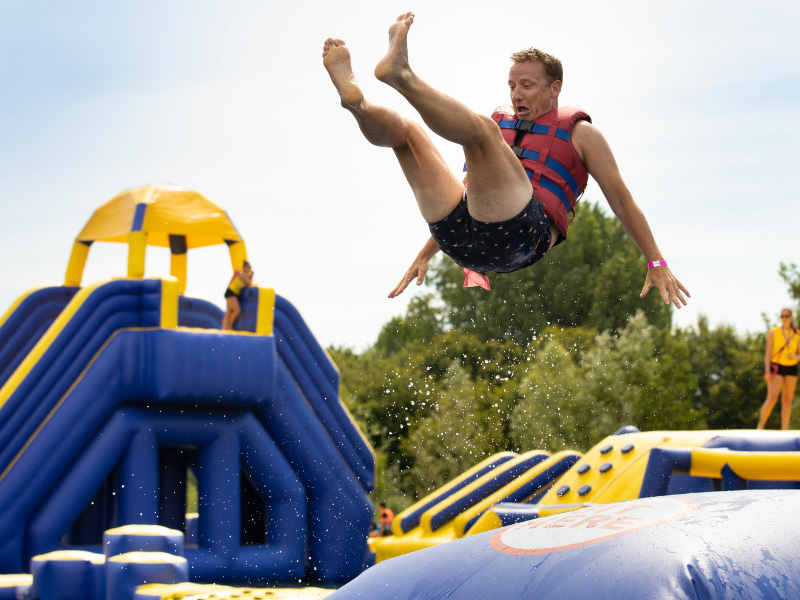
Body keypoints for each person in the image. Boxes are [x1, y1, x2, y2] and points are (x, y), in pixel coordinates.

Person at [322, 13, 690, 305]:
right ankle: (357, 103)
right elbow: (468, 192)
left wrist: (656, 260)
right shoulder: (502, 123)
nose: (516, 94)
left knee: (482, 131)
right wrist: (426, 253)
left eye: (527, 85)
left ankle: (402, 76)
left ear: (555, 88)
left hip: (521, 237)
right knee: (407, 135)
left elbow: (621, 200)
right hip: (456, 237)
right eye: (512, 85)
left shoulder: (582, 134)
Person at [757, 308, 799, 430]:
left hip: (791, 367)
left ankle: (784, 429)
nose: (784, 318)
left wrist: (794, 357)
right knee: (772, 397)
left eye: (786, 316)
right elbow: (768, 353)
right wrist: (767, 371)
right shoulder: (773, 332)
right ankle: (760, 426)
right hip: (776, 366)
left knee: (787, 400)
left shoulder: (797, 333)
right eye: (782, 316)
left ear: (791, 317)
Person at [221, 260, 253, 331]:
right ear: (244, 267)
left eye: (250, 267)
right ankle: (229, 327)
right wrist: (252, 274)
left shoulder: (242, 274)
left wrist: (243, 286)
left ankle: (224, 328)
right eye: (249, 267)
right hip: (231, 293)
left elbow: (247, 284)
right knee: (237, 310)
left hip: (230, 293)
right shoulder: (243, 274)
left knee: (229, 312)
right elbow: (249, 283)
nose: (250, 269)